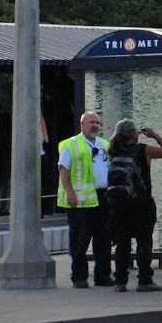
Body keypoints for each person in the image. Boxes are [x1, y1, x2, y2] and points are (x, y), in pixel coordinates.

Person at [106, 119, 162, 293]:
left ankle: (120, 282)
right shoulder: (143, 150)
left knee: (122, 244)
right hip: (141, 204)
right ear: (133, 134)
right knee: (144, 242)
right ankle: (144, 281)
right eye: (136, 131)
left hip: (120, 206)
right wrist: (153, 135)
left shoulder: (113, 151)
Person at [57, 112, 114, 288]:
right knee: (80, 241)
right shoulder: (72, 144)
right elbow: (63, 169)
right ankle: (79, 277)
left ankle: (103, 276)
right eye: (91, 122)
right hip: (80, 201)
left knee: (103, 239)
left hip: (102, 198)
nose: (95, 125)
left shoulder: (104, 144)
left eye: (97, 122)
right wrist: (70, 192)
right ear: (82, 125)